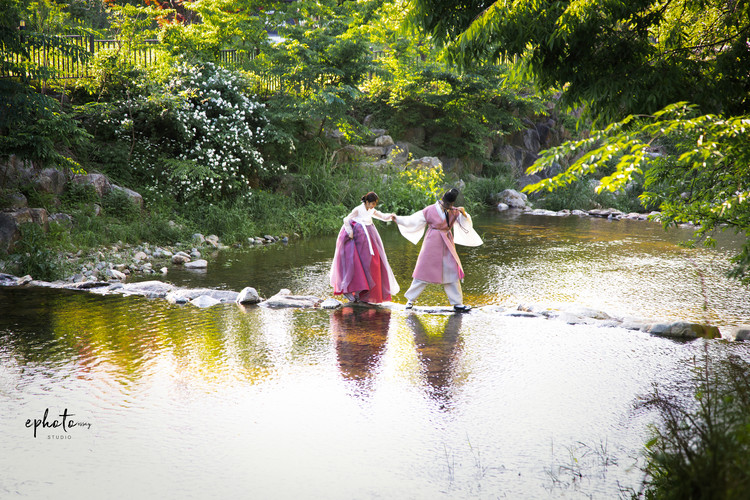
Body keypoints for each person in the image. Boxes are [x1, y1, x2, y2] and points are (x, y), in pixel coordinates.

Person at [394, 188, 482, 312]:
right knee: (422, 271)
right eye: (446, 204)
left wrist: (464, 214)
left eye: (450, 204)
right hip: (432, 242)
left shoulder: (454, 211)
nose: (448, 206)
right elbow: (413, 220)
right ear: (442, 200)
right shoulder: (429, 210)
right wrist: (398, 219)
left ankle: (457, 303)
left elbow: (465, 224)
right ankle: (410, 300)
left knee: (452, 271)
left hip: (447, 243)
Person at [330, 192, 400, 303]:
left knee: (370, 262)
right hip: (357, 235)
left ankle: (362, 292)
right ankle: (350, 290)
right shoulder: (358, 209)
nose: (373, 206)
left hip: (368, 235)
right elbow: (346, 219)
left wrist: (390, 217)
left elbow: (381, 216)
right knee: (355, 263)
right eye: (372, 203)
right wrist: (350, 231)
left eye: (375, 204)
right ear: (367, 202)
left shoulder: (371, 210)